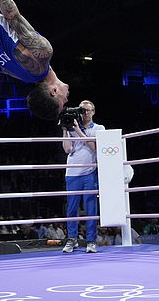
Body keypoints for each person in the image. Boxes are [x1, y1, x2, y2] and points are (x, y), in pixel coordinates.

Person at [61, 100, 105, 254]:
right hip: (72, 173)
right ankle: (72, 239)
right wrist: (65, 129)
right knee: (72, 209)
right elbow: (67, 149)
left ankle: (91, 241)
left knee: (90, 209)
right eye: (82, 110)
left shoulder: (99, 128)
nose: (85, 113)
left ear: (93, 111)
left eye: (88, 110)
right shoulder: (71, 128)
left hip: (89, 173)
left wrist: (78, 130)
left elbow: (94, 147)